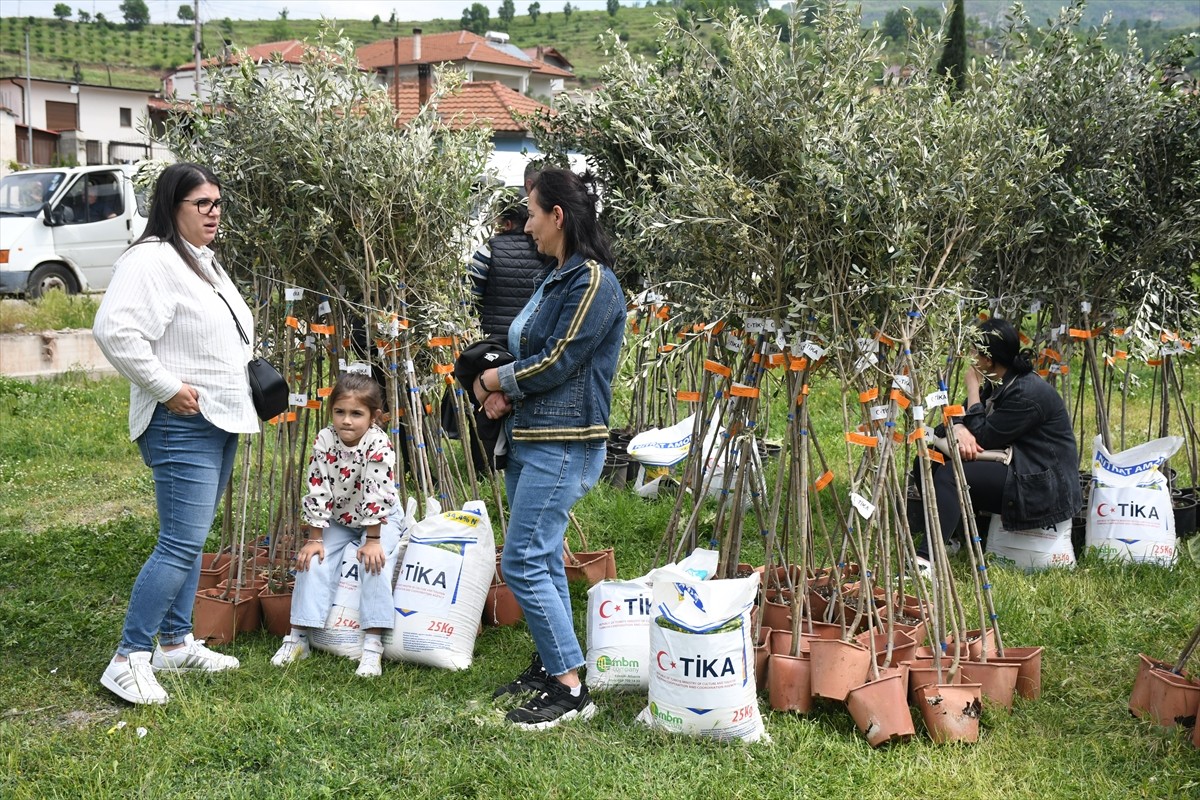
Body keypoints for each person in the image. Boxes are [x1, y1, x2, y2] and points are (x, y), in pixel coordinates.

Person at [93, 163, 258, 705]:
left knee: (190, 541)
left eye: (218, 203)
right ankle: (128, 658)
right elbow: (115, 330)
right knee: (180, 542)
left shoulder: (199, 261)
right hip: (181, 422)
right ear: (173, 206)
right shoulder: (151, 260)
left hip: (218, 419)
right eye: (202, 204)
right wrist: (165, 387)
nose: (215, 214)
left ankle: (175, 642)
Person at [474, 168, 626, 730]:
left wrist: (497, 384)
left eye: (532, 213)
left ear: (557, 215)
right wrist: (501, 393)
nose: (527, 225)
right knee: (544, 557)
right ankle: (553, 663)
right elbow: (530, 353)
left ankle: (569, 689)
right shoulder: (556, 277)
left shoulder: (592, 282)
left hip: (563, 442)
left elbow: (560, 359)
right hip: (532, 434)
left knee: (522, 560)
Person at [912, 318, 1082, 561]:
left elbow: (983, 436)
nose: (969, 360)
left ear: (988, 360)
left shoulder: (1026, 393)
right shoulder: (1000, 381)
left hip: (1040, 482)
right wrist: (959, 428)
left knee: (951, 475)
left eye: (973, 353)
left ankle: (926, 560)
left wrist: (972, 388)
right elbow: (954, 420)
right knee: (927, 458)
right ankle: (950, 540)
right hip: (1016, 466)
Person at [270, 373, 401, 677]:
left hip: (380, 519)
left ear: (374, 417)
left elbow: (376, 492)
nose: (347, 421)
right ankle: (298, 637)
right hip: (340, 518)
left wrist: (372, 540)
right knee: (312, 560)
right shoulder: (325, 439)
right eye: (340, 412)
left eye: (357, 414)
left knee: (375, 562)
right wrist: (315, 538)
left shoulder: (378, 443)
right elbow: (318, 487)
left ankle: (372, 645)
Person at [460, 189, 553, 470]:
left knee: (487, 405)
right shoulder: (546, 253)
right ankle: (524, 458)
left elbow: (468, 297)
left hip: (494, 345)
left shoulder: (489, 250)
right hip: (533, 347)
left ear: (506, 221)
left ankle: (485, 464)